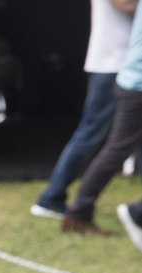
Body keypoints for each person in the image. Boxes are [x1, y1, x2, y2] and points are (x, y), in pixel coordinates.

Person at [64, 10, 142, 245]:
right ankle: (81, 211)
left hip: (132, 80)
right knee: (115, 149)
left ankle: (79, 211)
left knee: (115, 149)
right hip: (137, 85)